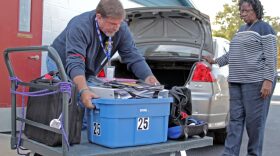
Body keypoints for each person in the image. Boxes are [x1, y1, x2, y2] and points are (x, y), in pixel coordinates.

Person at [47, 0, 159, 109]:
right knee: (72, 96)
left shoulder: (121, 29)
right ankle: (68, 126)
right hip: (61, 60)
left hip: (86, 67)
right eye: (113, 23)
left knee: (91, 98)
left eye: (119, 23)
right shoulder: (80, 26)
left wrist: (148, 77)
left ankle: (86, 126)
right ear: (99, 17)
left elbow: (133, 56)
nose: (117, 27)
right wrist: (83, 90)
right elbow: (75, 61)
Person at [204, 0, 277, 155]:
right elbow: (233, 54)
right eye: (241, 11)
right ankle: (229, 153)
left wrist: (268, 81)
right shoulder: (240, 30)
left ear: (255, 9)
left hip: (256, 83)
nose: (242, 14)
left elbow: (271, 58)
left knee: (254, 125)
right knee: (235, 122)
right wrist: (216, 61)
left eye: (245, 10)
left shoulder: (265, 29)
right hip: (236, 82)